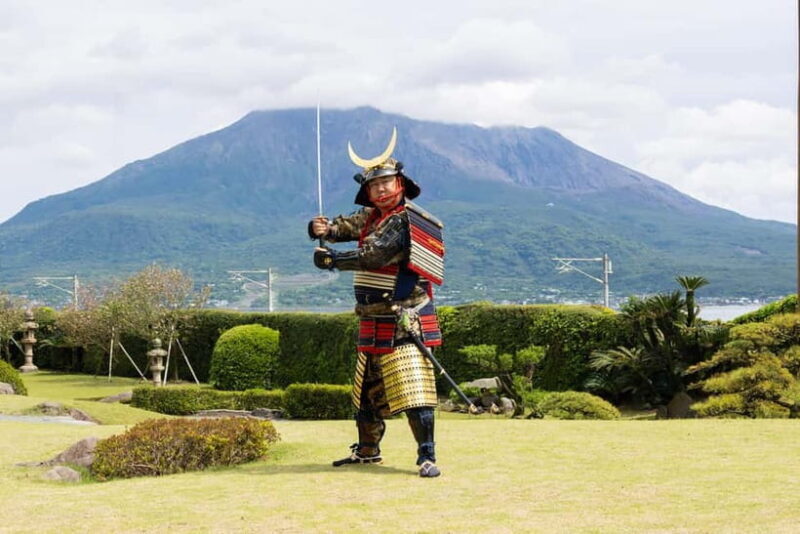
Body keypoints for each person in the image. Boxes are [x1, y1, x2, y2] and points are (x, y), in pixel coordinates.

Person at [309, 128, 445, 478]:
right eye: (375, 185)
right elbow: (342, 227)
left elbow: (373, 254)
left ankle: (426, 456)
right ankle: (368, 451)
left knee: (414, 389)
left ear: (400, 184)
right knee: (366, 391)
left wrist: (333, 261)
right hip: (372, 316)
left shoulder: (402, 220)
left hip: (404, 316)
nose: (381, 189)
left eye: (386, 183)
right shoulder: (372, 218)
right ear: (368, 191)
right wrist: (320, 229)